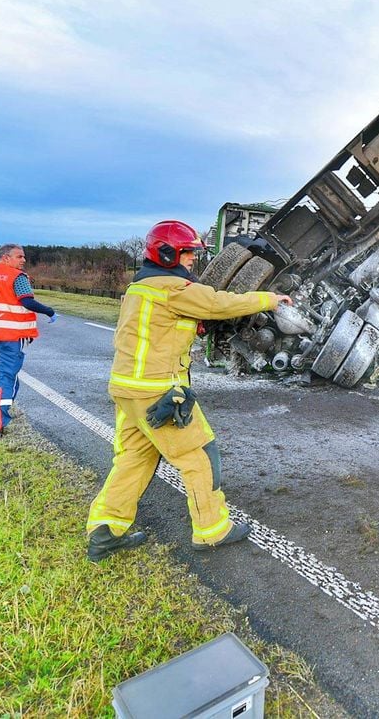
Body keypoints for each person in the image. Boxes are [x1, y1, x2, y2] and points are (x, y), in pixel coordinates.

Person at [85, 219, 292, 563]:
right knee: (199, 456)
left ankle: (105, 531)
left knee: (133, 460)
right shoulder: (173, 287)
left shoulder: (141, 288)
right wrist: (269, 300)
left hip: (127, 389)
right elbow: (218, 303)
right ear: (166, 254)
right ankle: (212, 530)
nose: (192, 260)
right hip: (158, 390)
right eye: (186, 253)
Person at [0, 244, 56, 435]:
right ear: (5, 258)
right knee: (7, 377)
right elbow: (27, 301)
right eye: (19, 256)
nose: (23, 260)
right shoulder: (17, 277)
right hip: (8, 336)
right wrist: (49, 311)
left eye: (23, 257)